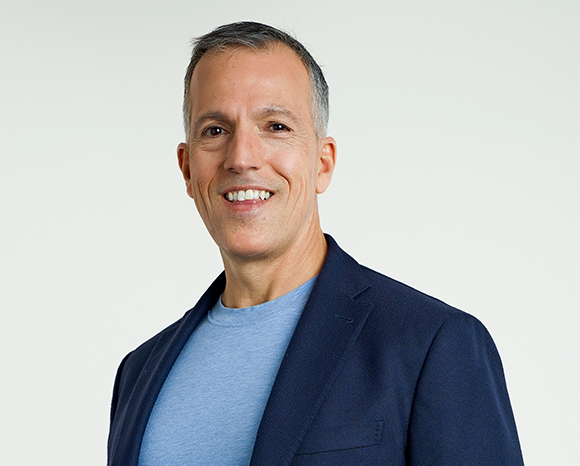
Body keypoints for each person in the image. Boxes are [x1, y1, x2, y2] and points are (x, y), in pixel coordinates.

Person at [107, 22, 524, 466]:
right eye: (214, 130)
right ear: (188, 169)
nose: (241, 157)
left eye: (276, 126)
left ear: (323, 163)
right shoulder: (138, 373)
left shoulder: (432, 345)